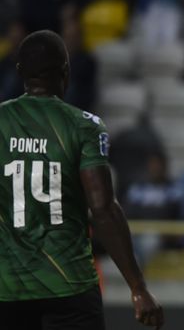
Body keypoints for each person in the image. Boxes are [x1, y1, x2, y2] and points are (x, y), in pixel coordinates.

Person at [0, 30, 163, 329]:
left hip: (9, 288)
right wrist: (137, 287)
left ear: (20, 71)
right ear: (66, 70)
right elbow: (102, 210)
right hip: (69, 285)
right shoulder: (83, 126)